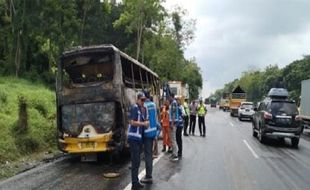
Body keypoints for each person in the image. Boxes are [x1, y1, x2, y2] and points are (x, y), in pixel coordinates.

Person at [128, 92, 149, 190]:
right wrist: (143, 124)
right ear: (137, 99)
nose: (143, 102)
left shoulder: (141, 109)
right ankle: (134, 184)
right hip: (133, 138)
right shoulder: (135, 108)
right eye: (142, 100)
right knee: (135, 161)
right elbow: (132, 122)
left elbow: (143, 122)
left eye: (144, 100)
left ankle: (135, 181)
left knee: (137, 161)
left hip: (138, 138)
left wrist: (146, 123)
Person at [140, 92, 157, 184]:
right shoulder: (153, 105)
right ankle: (149, 174)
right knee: (149, 154)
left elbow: (143, 120)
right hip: (153, 131)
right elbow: (155, 117)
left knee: (148, 155)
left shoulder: (144, 106)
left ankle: (148, 176)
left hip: (146, 133)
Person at [169, 93, 179, 161]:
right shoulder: (174, 103)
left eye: (169, 97)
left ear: (171, 97)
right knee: (172, 139)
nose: (169, 98)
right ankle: (173, 153)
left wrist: (172, 124)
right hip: (174, 123)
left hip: (173, 123)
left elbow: (173, 113)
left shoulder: (173, 103)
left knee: (173, 139)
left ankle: (175, 155)